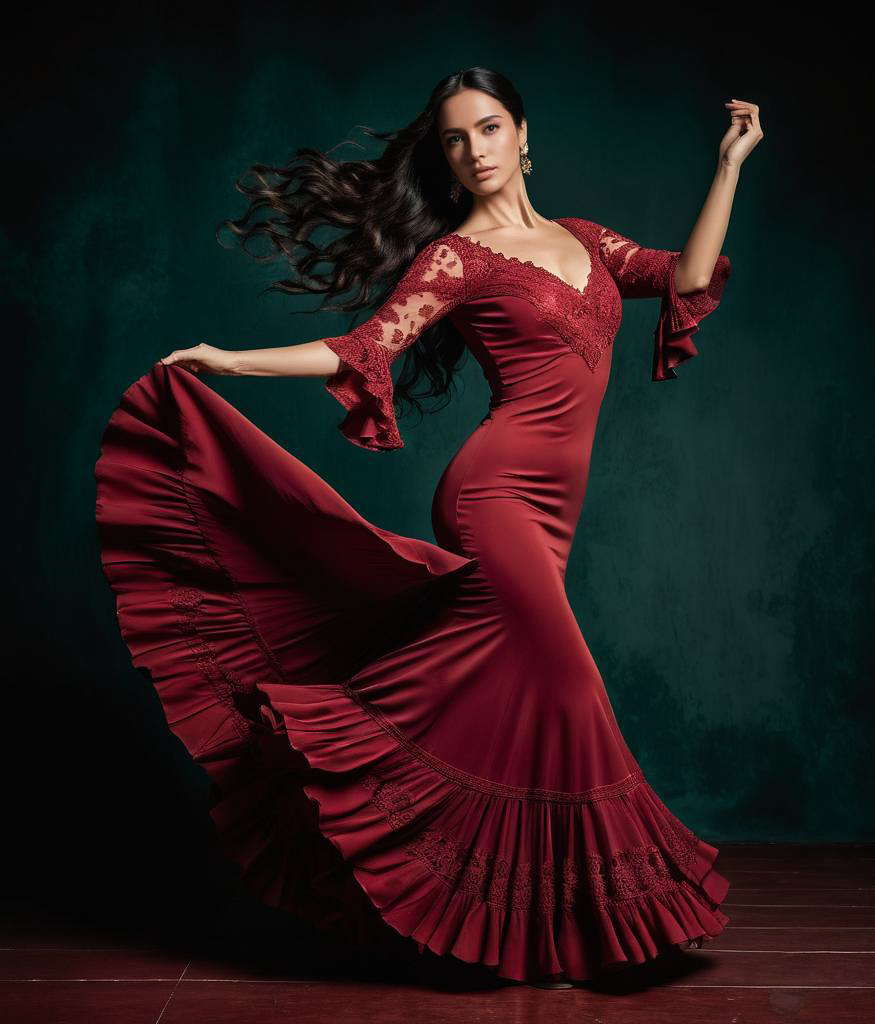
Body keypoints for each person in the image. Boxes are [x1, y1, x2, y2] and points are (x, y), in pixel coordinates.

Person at [94, 66, 762, 989]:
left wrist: (730, 164)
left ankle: (541, 929)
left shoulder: (585, 241)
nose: (474, 151)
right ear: (446, 161)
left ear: (524, 136)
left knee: (523, 711)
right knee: (570, 691)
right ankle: (596, 920)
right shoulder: (458, 258)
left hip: (557, 515)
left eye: (488, 129)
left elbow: (685, 276)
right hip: (494, 500)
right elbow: (363, 348)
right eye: (455, 139)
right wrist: (228, 361)